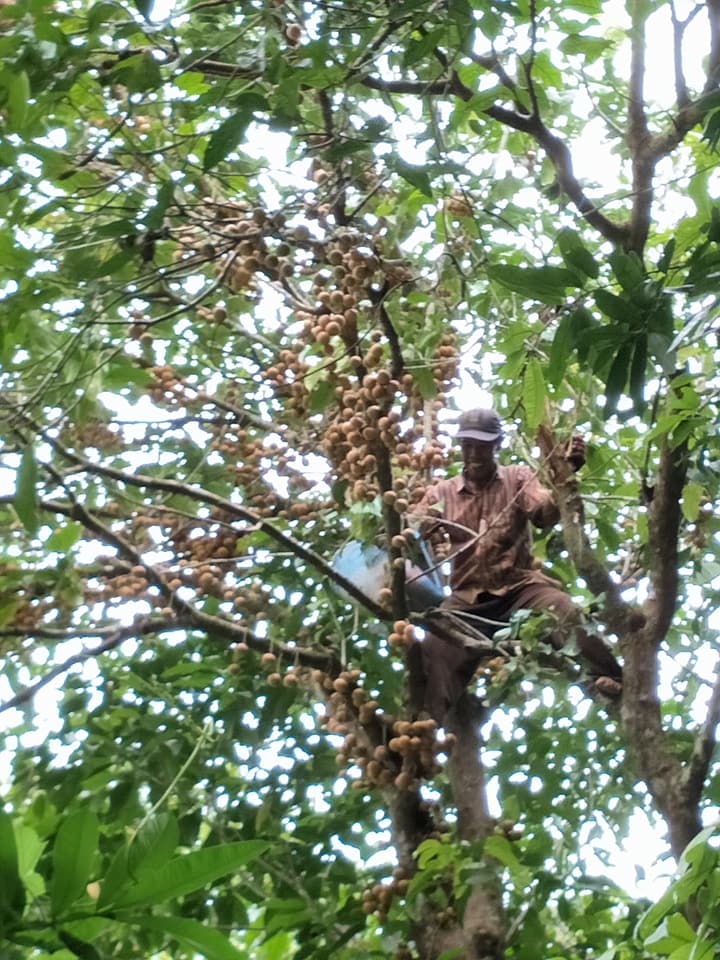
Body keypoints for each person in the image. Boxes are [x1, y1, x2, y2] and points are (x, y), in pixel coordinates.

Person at [411, 407, 623, 723]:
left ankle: (612, 678)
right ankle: (422, 731)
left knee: (565, 612)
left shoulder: (517, 478)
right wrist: (399, 536)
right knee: (434, 649)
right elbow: (411, 531)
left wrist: (566, 473)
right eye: (468, 445)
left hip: (520, 588)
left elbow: (545, 513)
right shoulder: (441, 493)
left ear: (497, 444)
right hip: (467, 600)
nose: (474, 453)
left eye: (482, 445)